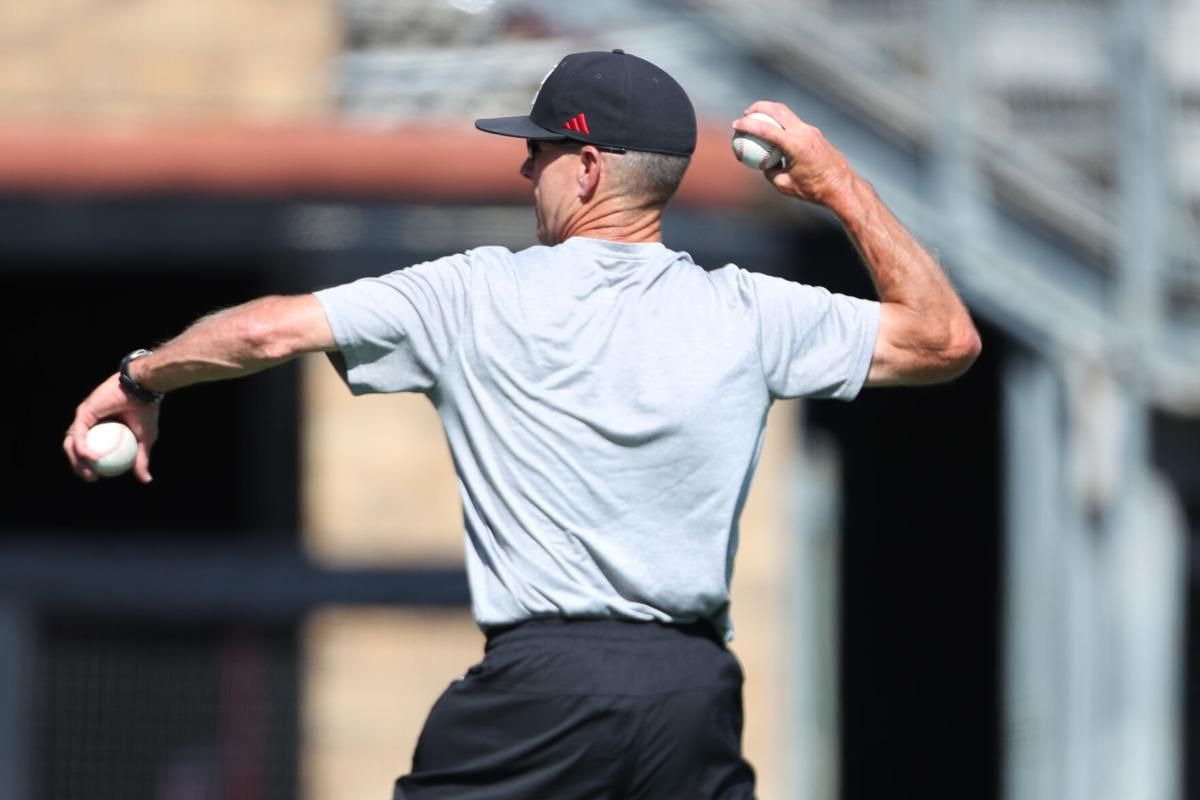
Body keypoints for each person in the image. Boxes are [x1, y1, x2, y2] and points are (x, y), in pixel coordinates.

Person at [64, 50, 979, 800]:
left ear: (588, 169)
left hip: (545, 688)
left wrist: (140, 376)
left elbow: (268, 330)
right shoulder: (752, 313)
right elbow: (944, 339)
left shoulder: (475, 292)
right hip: (689, 696)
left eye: (539, 151)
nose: (523, 169)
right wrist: (838, 185)